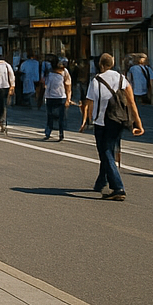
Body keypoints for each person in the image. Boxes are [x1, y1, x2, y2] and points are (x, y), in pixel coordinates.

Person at [80, 52, 144, 201]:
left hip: (102, 121)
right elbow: (131, 102)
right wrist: (138, 123)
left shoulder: (96, 80)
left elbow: (89, 102)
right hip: (118, 120)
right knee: (108, 150)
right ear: (112, 64)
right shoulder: (121, 78)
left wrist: (85, 120)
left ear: (101, 65)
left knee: (106, 152)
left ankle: (117, 187)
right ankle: (101, 182)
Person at [41, 56, 71, 141]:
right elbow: (43, 81)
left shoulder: (65, 72)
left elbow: (68, 85)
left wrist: (68, 99)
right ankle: (48, 131)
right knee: (50, 115)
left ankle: (61, 133)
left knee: (61, 117)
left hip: (61, 97)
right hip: (49, 96)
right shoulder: (49, 71)